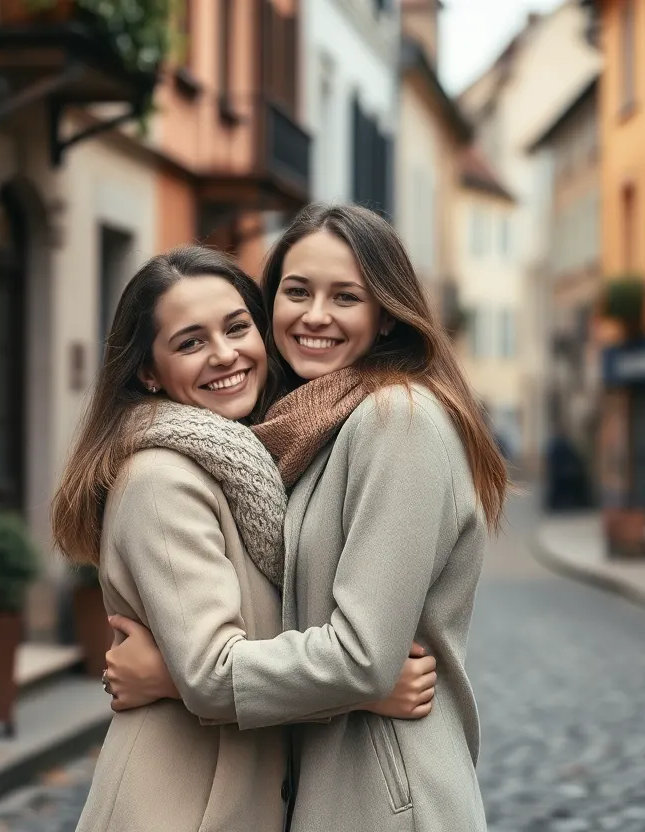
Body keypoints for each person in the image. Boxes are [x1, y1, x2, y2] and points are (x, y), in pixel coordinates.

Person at [104, 205, 509, 832]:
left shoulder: (394, 420)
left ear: (383, 315)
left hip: (384, 796)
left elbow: (363, 656)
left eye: (345, 296)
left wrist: (176, 679)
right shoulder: (303, 436)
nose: (315, 315)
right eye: (297, 291)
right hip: (329, 787)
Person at [51, 246, 434, 832]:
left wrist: (164, 675)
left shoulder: (253, 466)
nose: (225, 354)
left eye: (236, 328)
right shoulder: (162, 479)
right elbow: (210, 672)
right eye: (190, 342)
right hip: (180, 805)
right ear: (148, 372)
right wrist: (362, 689)